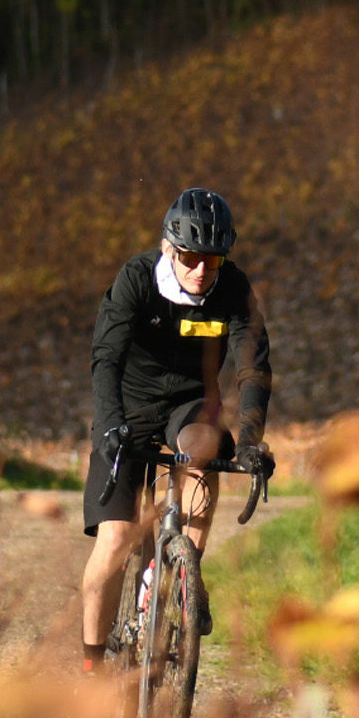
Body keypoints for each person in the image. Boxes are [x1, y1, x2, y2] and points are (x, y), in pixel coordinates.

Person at [80, 188, 273, 672]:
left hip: (190, 405)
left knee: (208, 447)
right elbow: (106, 357)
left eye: (212, 259)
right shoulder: (136, 279)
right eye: (190, 257)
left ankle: (185, 572)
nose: (201, 270)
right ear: (169, 248)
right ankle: (91, 664)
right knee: (116, 539)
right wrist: (109, 425)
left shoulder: (232, 288)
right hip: (130, 405)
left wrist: (249, 442)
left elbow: (253, 369)